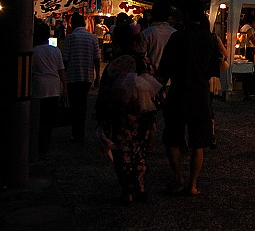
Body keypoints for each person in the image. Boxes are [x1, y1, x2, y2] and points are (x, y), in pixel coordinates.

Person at [156, 0, 221, 196]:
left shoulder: (177, 38)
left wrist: (156, 89)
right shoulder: (209, 38)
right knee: (198, 143)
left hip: (178, 92)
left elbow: (164, 69)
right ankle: (192, 185)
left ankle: (177, 177)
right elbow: (214, 68)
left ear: (185, 15)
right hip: (200, 94)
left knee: (172, 138)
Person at [94, 23, 162, 205]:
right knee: (138, 149)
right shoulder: (145, 62)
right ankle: (139, 185)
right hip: (144, 112)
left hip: (121, 113)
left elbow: (105, 90)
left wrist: (101, 115)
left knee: (122, 150)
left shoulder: (117, 63)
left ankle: (127, 190)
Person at [62, 13, 101, 143]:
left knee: (74, 105)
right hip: (87, 76)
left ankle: (75, 132)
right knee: (83, 104)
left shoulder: (69, 38)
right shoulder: (93, 38)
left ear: (72, 24)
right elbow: (97, 59)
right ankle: (81, 132)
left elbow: (65, 60)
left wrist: (63, 79)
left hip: (72, 76)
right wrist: (98, 77)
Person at [32, 19, 67, 157]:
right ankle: (46, 143)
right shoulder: (56, 50)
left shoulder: (34, 51)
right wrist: (65, 88)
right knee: (49, 117)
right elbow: (61, 70)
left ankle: (39, 143)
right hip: (53, 87)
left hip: (39, 86)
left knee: (39, 117)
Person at [140, 1, 175, 70]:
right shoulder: (175, 33)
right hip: (171, 75)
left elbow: (141, 56)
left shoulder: (146, 33)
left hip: (151, 74)